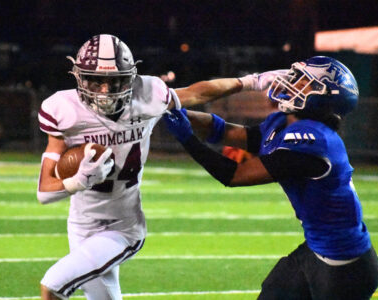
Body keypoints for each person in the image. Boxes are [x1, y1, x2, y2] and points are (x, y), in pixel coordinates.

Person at [35, 33, 257, 300]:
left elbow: (199, 92)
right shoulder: (63, 109)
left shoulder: (148, 95)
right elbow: (45, 192)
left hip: (123, 228)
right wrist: (79, 180)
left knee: (53, 287)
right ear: (80, 77)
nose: (106, 90)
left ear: (130, 77)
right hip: (81, 226)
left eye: (115, 80)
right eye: (97, 80)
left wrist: (252, 81)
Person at [162, 56, 378, 299]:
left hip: (345, 266)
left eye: (302, 81)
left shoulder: (315, 141)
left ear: (323, 97)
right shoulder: (285, 122)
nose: (290, 82)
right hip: (317, 248)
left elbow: (234, 174)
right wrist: (175, 113)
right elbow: (226, 132)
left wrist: (186, 138)